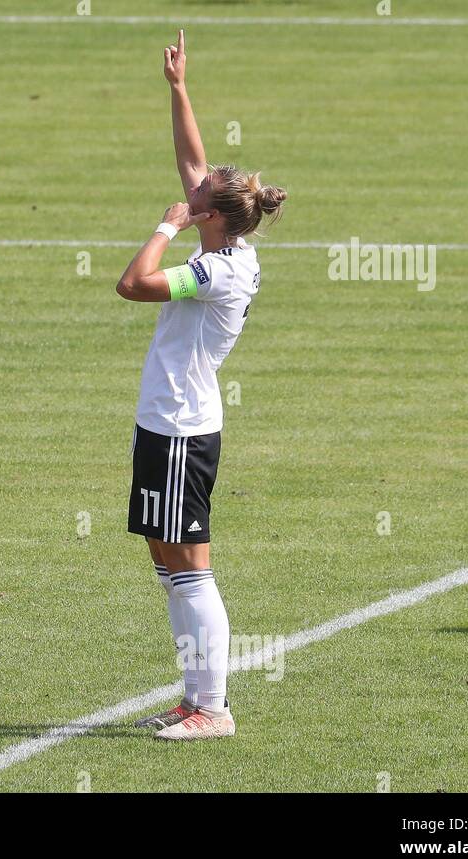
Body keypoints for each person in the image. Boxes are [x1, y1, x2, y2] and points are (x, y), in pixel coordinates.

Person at [115, 30, 287, 741]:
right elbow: (193, 162)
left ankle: (213, 707)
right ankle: (193, 699)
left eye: (199, 199)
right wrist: (179, 88)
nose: (192, 192)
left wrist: (162, 226)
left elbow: (134, 284)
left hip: (184, 427)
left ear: (212, 217)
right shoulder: (222, 239)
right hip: (166, 421)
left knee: (190, 564)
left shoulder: (216, 270)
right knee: (167, 562)